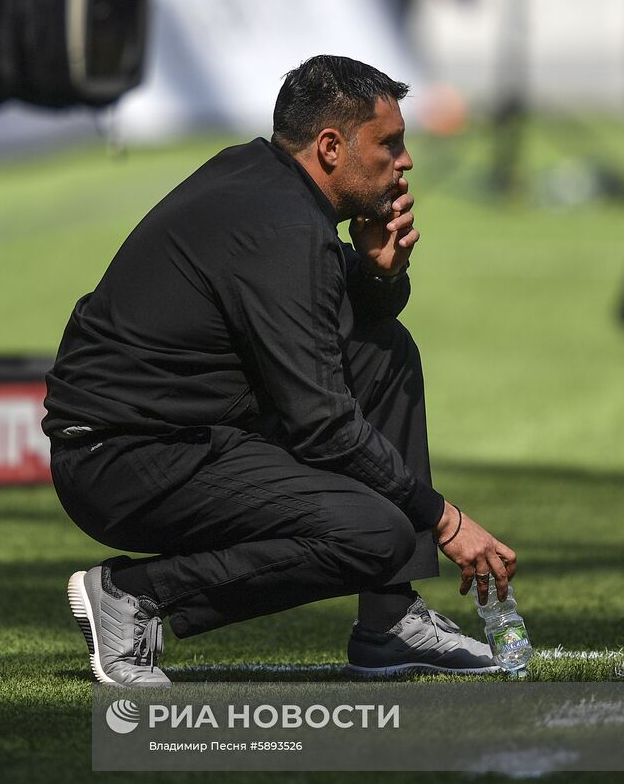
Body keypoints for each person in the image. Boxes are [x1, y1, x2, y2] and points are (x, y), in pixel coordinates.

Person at [44, 55, 517, 688]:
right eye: (389, 144)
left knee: (386, 352)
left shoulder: (262, 179)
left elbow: (343, 329)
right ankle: (133, 595)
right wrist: (444, 519)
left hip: (178, 432)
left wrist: (377, 274)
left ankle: (389, 621)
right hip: (121, 458)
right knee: (374, 533)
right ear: (331, 147)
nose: (405, 161)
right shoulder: (285, 229)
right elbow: (323, 424)